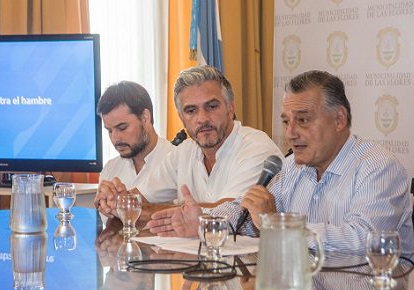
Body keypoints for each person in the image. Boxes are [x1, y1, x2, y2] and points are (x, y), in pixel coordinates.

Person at [149, 70, 414, 261]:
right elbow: (245, 208)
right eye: (286, 121)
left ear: (339, 119)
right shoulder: (291, 167)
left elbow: (364, 242)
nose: (290, 134)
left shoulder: (378, 168)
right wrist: (206, 223)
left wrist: (276, 224)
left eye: (302, 120)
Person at [96, 65, 282, 219]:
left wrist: (140, 209)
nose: (202, 118)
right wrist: (113, 198)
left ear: (230, 108)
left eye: (211, 106)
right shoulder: (183, 152)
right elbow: (139, 197)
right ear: (182, 118)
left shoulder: (256, 148)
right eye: (191, 110)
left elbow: (227, 214)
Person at [94, 81, 175, 220]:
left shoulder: (178, 162)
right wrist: (103, 204)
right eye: (109, 131)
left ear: (145, 118)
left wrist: (122, 204)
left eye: (122, 128)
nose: (115, 139)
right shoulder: (110, 169)